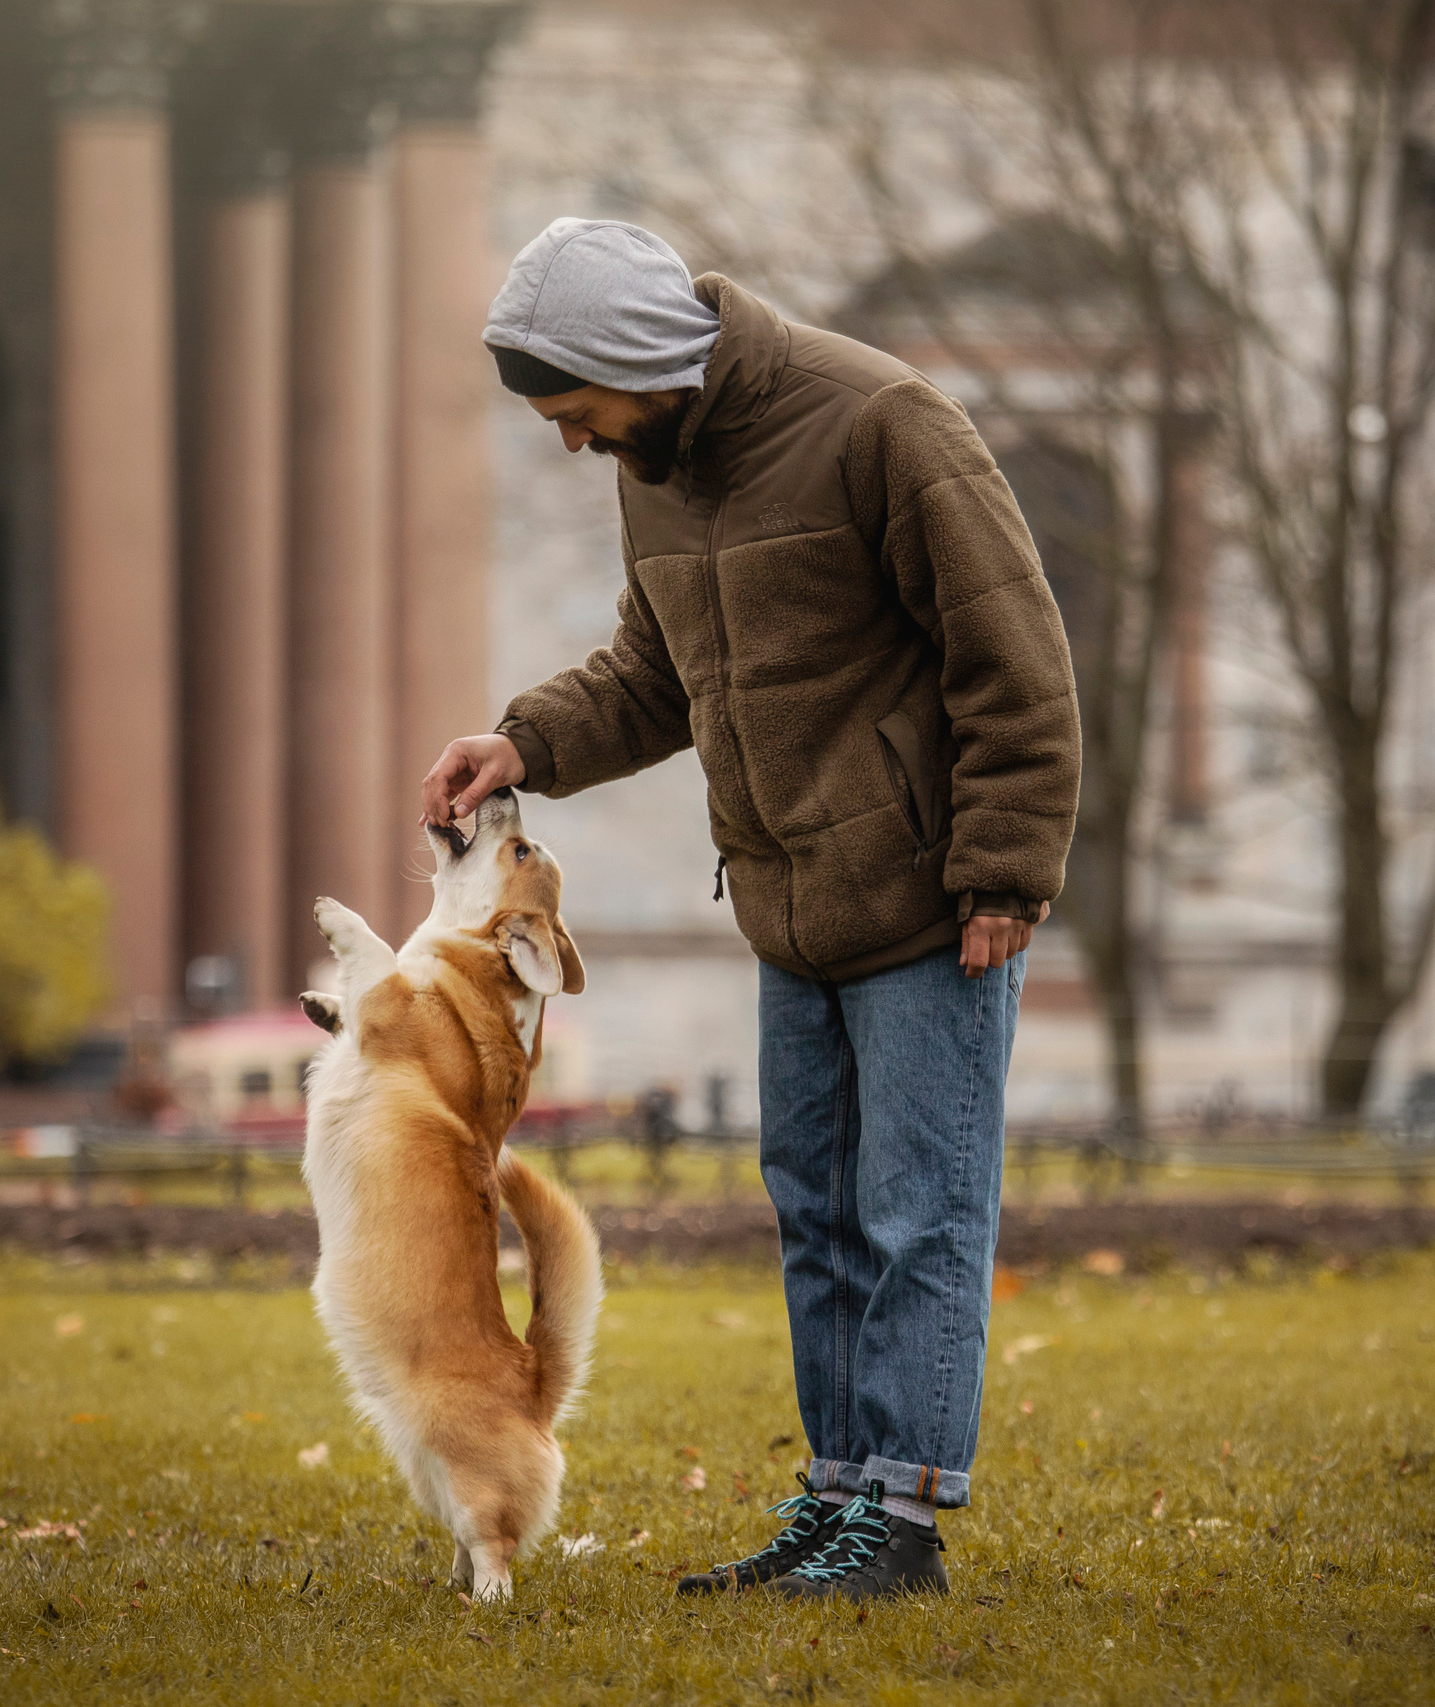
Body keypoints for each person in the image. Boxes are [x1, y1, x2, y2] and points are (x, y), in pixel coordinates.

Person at [420, 218, 1080, 1601]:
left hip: (929, 907)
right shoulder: (659, 466)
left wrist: (1005, 875)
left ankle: (896, 1526)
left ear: (641, 363)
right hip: (790, 909)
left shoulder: (885, 427)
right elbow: (655, 677)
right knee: (819, 1214)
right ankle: (838, 1497)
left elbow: (1014, 659)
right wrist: (523, 743)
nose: (568, 441)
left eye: (574, 411)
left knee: (918, 1213)